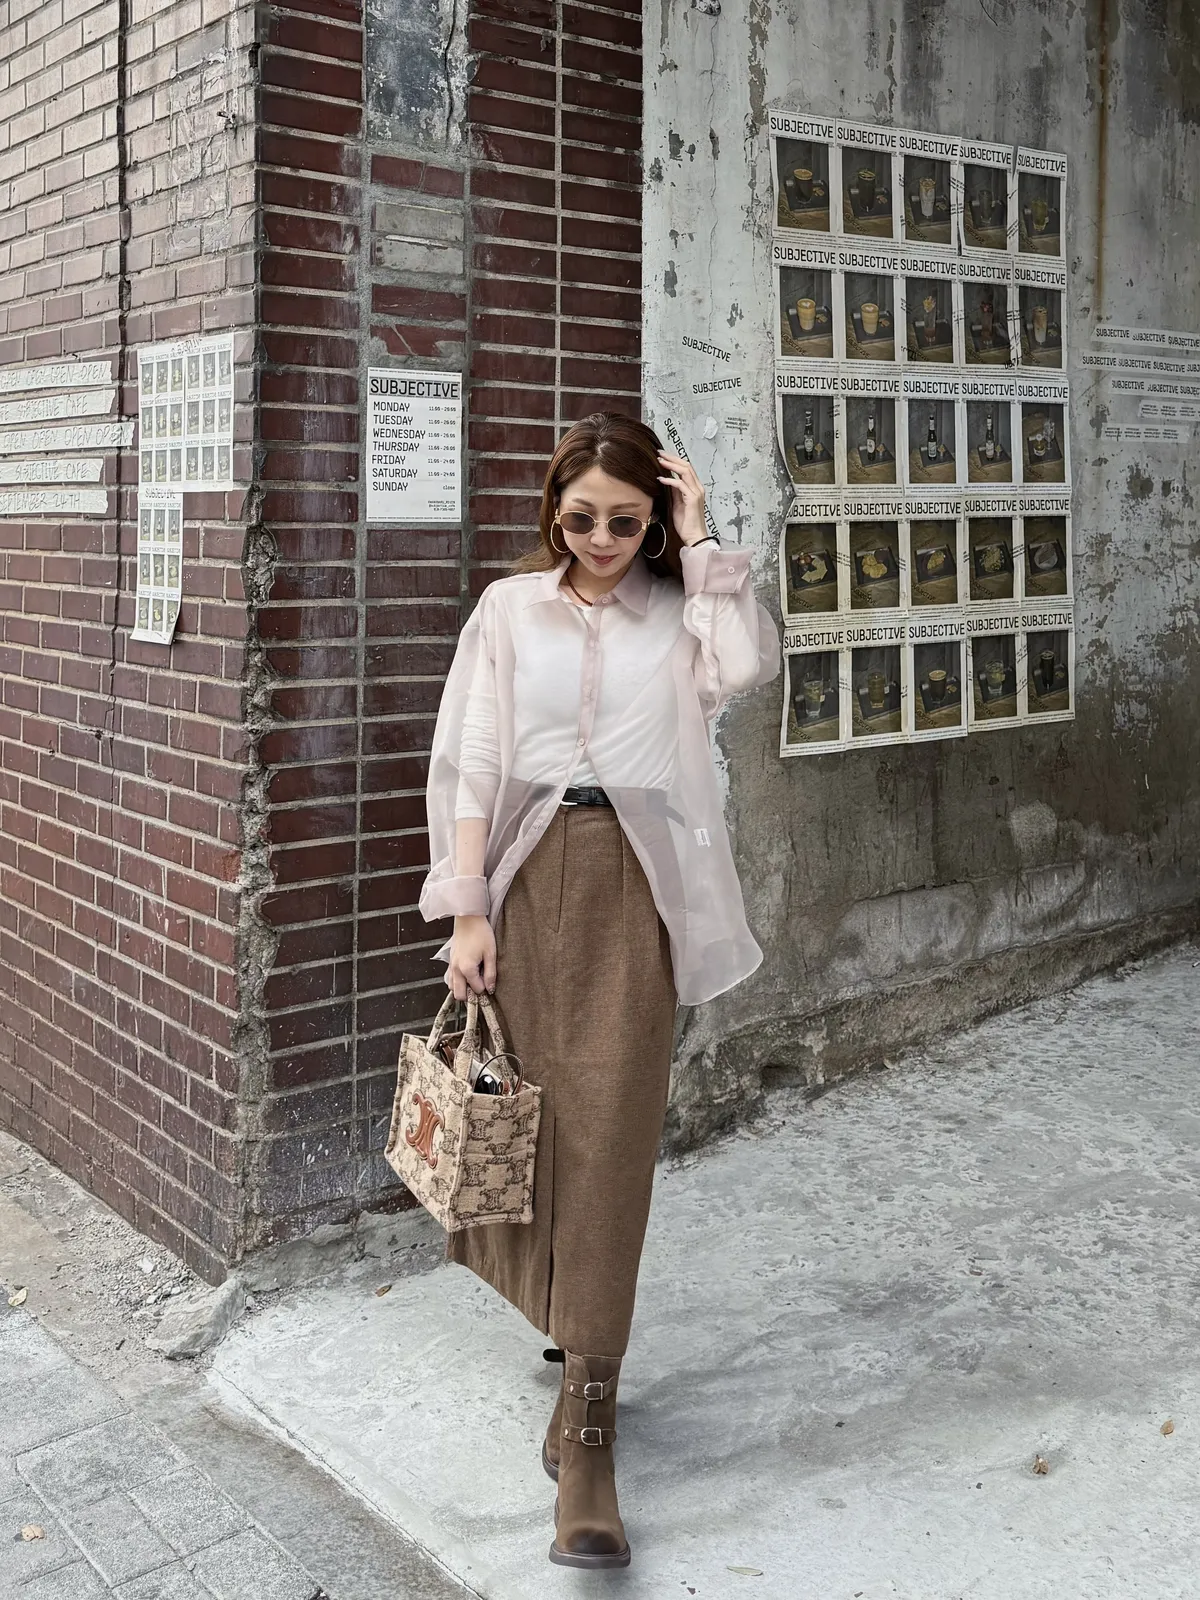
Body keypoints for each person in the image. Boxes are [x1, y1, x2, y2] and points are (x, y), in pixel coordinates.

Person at [419, 411, 779, 1569]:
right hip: (527, 885)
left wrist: (701, 537)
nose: (604, 540)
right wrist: (468, 907)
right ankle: (567, 1324)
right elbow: (474, 759)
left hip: (636, 886)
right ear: (553, 511)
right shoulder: (509, 610)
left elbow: (745, 669)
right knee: (530, 1128)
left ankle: (587, 1427)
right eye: (581, 519)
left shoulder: (679, 611)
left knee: (613, 1141)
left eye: (628, 521)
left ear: (653, 517)